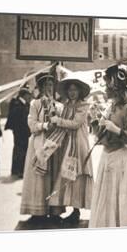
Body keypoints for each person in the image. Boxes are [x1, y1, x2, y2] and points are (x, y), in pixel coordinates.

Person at [89, 64, 127, 228]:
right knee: (106, 199)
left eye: (107, 83)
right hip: (106, 158)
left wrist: (116, 129)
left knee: (122, 200)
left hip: (121, 160)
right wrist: (95, 121)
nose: (105, 87)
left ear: (115, 86)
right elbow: (101, 139)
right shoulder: (110, 108)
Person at [20, 72, 65, 224]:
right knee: (39, 176)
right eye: (45, 85)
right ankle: (38, 211)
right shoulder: (35, 104)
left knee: (54, 175)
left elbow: (63, 124)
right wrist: (45, 125)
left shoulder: (59, 106)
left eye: (51, 85)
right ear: (40, 87)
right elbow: (32, 125)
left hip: (54, 144)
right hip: (39, 142)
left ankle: (54, 211)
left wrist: (57, 124)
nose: (48, 88)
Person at [48, 77, 94, 224]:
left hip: (79, 143)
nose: (72, 92)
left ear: (80, 91)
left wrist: (59, 121)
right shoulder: (65, 105)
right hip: (66, 142)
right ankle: (58, 209)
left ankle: (76, 210)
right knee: (66, 173)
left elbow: (75, 123)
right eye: (70, 90)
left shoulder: (84, 106)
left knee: (77, 174)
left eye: (75, 89)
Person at [5, 85, 32, 178]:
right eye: (28, 95)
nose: (30, 97)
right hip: (20, 131)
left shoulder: (25, 104)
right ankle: (18, 170)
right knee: (20, 150)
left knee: (21, 149)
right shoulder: (17, 103)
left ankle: (19, 169)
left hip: (24, 131)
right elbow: (16, 118)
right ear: (24, 95)